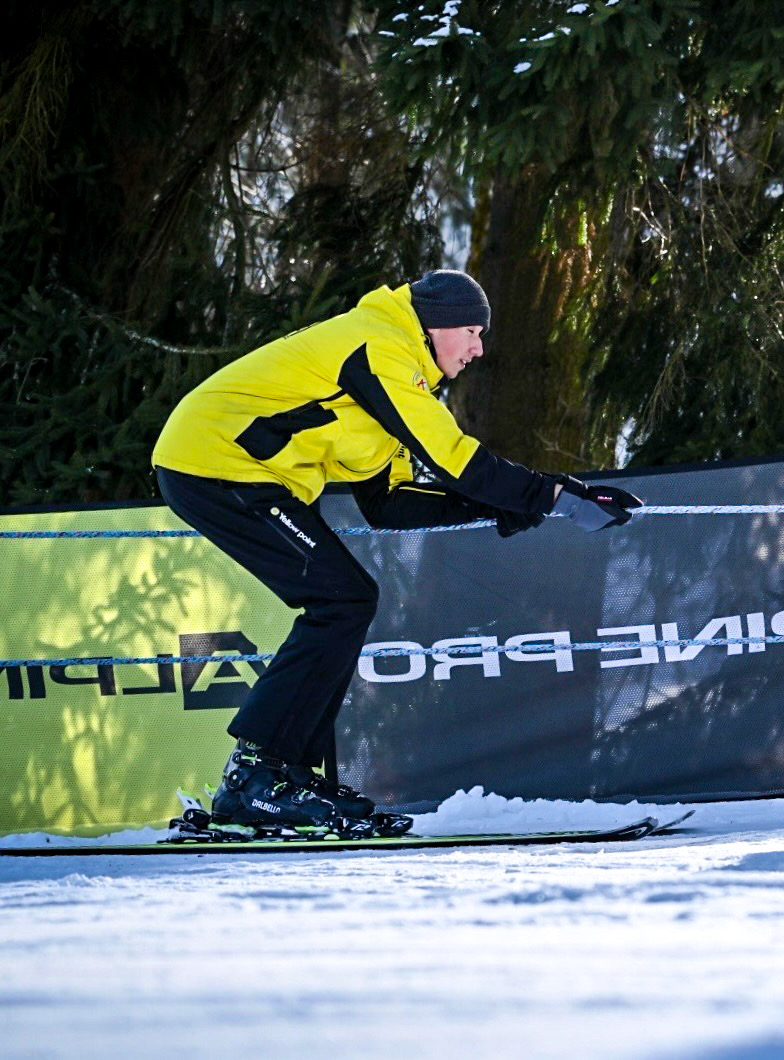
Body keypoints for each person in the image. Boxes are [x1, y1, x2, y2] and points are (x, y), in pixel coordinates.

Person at [152, 270, 642, 832]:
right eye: (470, 330)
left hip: (241, 473)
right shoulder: (381, 348)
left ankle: (277, 774)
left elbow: (392, 503)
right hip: (212, 463)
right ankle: (256, 777)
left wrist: (504, 507)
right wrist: (557, 495)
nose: (479, 348)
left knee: (345, 601)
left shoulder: (399, 382)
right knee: (342, 600)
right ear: (434, 327)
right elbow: (456, 457)